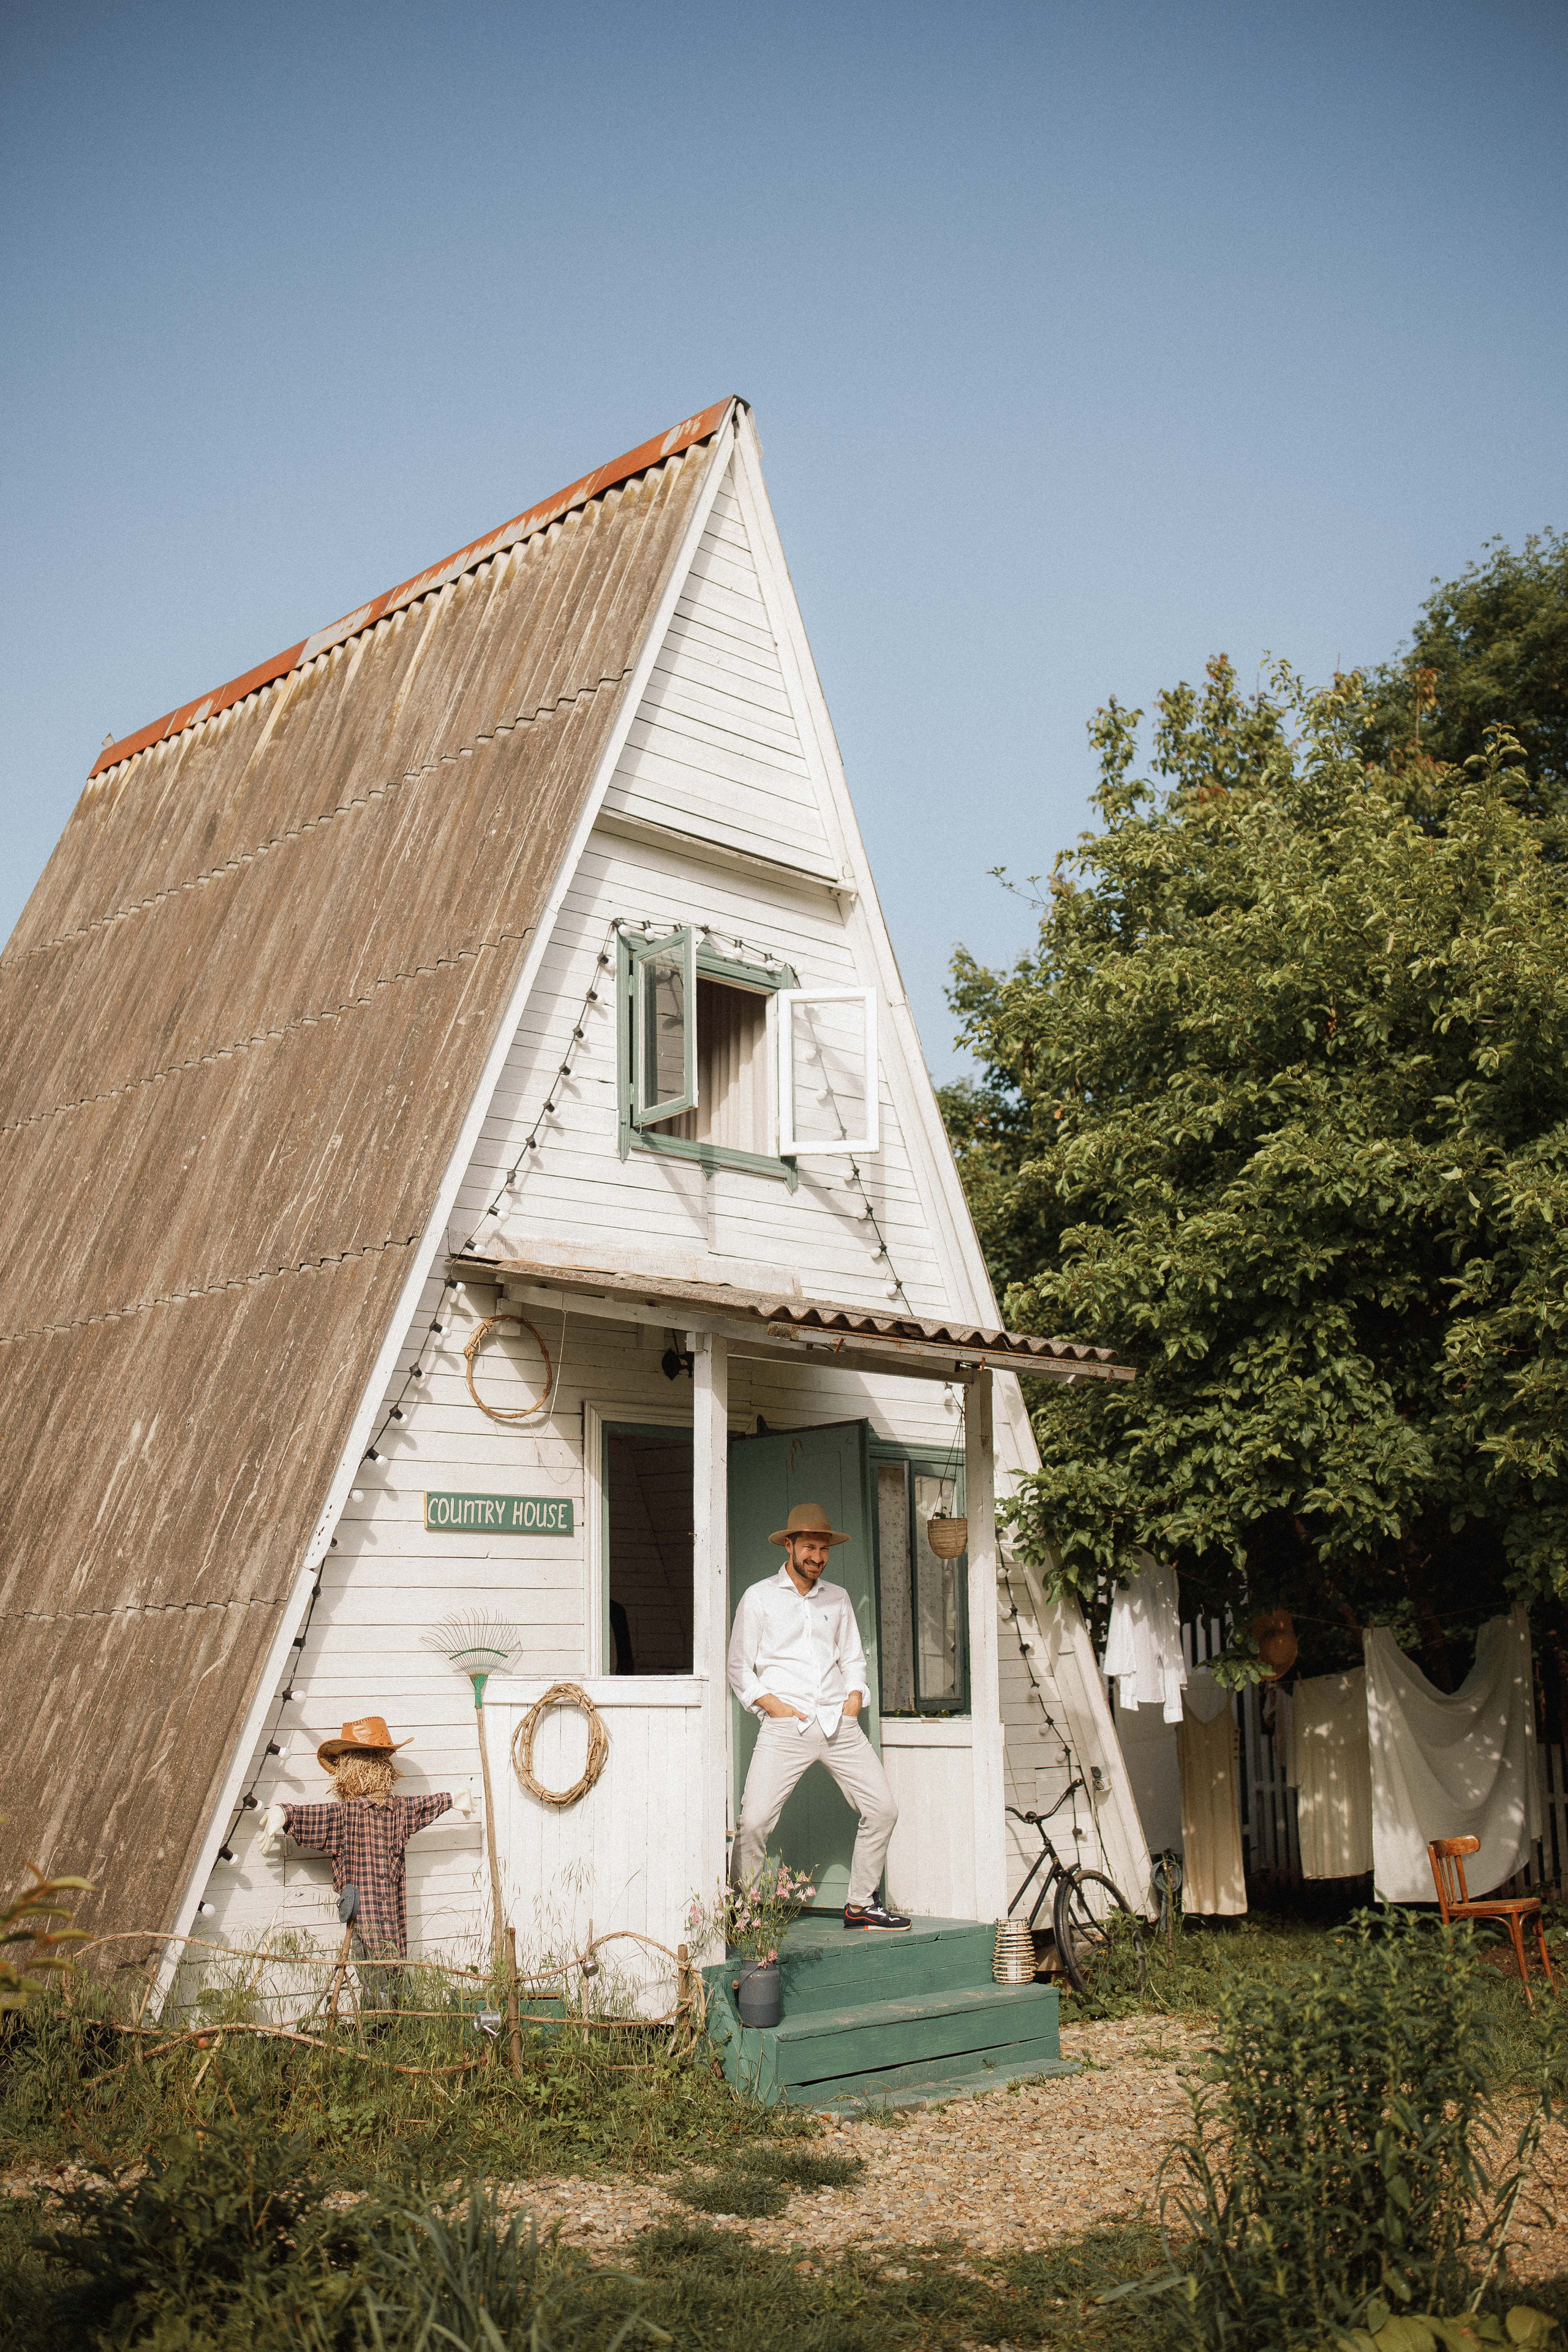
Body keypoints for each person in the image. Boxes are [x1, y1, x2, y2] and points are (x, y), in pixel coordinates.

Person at [727, 1502, 910, 1932]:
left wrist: (853, 1700)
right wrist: (771, 1705)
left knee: (883, 1810)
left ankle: (861, 1904)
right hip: (785, 1726)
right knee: (753, 1823)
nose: (818, 1557)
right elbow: (738, 1667)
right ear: (789, 1545)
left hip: (838, 1725)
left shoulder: (839, 1598)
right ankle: (747, 1911)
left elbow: (854, 1659)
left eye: (824, 1549)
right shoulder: (759, 1597)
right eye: (809, 1547)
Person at [260, 1714, 472, 2005]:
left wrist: (452, 1799)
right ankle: (382, 2022)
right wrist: (284, 1813)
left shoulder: (397, 1810)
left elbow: (424, 1805)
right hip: (364, 1919)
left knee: (392, 1975)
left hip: (391, 1920)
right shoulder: (348, 1814)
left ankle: (393, 2021)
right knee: (376, 1976)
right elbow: (315, 1815)